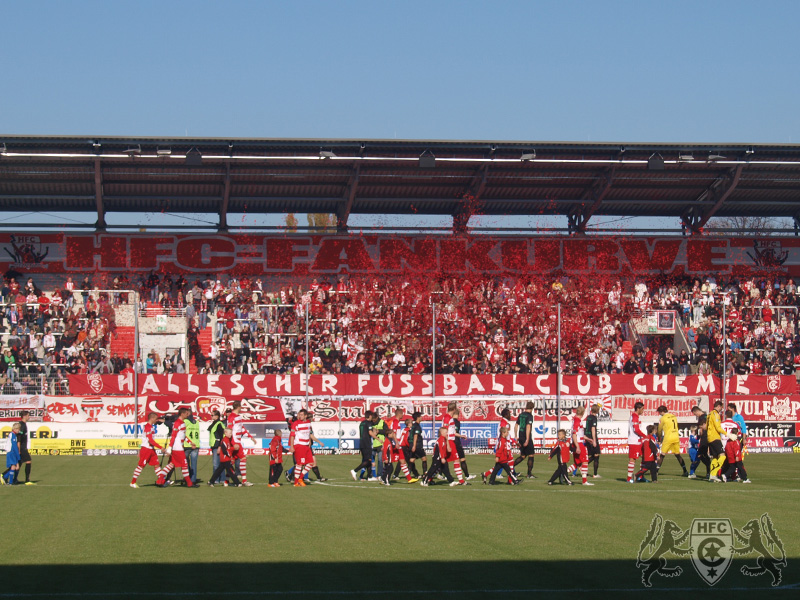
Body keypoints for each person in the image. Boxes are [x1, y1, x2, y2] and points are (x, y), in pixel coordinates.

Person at [156, 407, 197, 488]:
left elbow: (183, 436)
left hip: (178, 447)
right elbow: (173, 436)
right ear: (182, 414)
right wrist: (169, 448)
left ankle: (160, 480)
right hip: (178, 448)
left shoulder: (182, 422)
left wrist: (190, 442)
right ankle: (189, 483)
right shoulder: (178, 423)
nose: (188, 414)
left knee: (171, 465)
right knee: (184, 465)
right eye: (186, 413)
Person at [289, 409, 324, 487]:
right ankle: (296, 482)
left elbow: (309, 434)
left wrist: (318, 442)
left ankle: (300, 479)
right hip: (299, 445)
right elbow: (292, 435)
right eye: (299, 414)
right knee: (300, 464)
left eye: (301, 415)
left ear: (305, 416)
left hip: (306, 445)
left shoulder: (308, 423)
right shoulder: (296, 423)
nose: (300, 416)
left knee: (311, 463)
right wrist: (291, 446)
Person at [130, 412, 164, 488]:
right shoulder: (148, 427)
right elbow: (150, 440)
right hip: (146, 450)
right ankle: (133, 482)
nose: (156, 420)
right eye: (155, 419)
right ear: (152, 418)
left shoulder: (151, 427)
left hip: (151, 449)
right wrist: (160, 447)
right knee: (141, 465)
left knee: (157, 465)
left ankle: (162, 480)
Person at [227, 401, 255, 486]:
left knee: (231, 462)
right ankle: (244, 481)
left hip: (237, 441)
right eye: (241, 406)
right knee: (242, 458)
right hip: (235, 442)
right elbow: (229, 430)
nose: (241, 408)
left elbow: (242, 428)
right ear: (238, 407)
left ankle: (226, 481)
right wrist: (233, 442)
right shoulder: (231, 417)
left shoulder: (238, 417)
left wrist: (251, 437)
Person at [656, 405, 688, 476]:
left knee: (662, 455)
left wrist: (659, 439)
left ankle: (656, 471)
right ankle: (685, 471)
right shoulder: (674, 416)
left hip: (668, 438)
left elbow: (659, 430)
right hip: (676, 437)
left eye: (659, 412)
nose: (659, 414)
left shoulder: (663, 418)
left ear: (662, 411)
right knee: (678, 455)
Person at [569, 406, 593, 486]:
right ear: (583, 413)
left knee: (578, 464)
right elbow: (574, 434)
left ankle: (563, 473)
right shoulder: (577, 421)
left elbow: (579, 434)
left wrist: (588, 439)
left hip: (577, 442)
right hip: (578, 443)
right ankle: (584, 481)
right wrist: (577, 446)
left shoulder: (575, 420)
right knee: (585, 461)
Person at [350, 410, 376, 481]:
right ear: (370, 416)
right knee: (367, 460)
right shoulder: (368, 423)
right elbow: (370, 432)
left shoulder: (362, 423)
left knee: (368, 460)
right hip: (366, 443)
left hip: (361, 443)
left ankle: (369, 477)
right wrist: (377, 438)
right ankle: (355, 471)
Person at [513, 400, 536, 478]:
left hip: (520, 437)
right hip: (526, 437)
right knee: (531, 455)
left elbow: (516, 425)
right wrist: (527, 439)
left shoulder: (521, 415)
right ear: (532, 408)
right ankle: (529, 474)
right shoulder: (529, 416)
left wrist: (516, 436)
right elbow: (528, 427)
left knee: (523, 456)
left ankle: (509, 467)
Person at [627, 401, 647, 483]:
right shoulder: (634, 417)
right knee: (633, 459)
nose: (643, 411)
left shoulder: (636, 416)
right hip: (634, 441)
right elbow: (636, 429)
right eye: (642, 409)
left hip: (638, 441)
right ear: (638, 409)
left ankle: (640, 476)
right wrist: (645, 436)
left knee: (644, 457)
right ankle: (629, 479)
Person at [707, 400, 725, 482]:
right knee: (722, 456)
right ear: (719, 406)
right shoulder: (716, 414)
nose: (722, 409)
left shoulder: (709, 414)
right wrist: (727, 434)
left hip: (710, 438)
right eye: (721, 407)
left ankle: (711, 475)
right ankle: (714, 474)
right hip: (715, 437)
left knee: (714, 457)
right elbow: (718, 428)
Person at [207, 410, 225, 483]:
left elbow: (222, 436)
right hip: (214, 445)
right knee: (219, 463)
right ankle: (222, 479)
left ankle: (216, 479)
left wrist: (220, 446)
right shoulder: (214, 423)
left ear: (217, 416)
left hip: (217, 446)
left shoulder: (219, 424)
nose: (211, 416)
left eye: (212, 415)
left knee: (216, 464)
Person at [183, 411, 201, 485]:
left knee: (186, 463)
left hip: (187, 445)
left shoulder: (185, 421)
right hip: (196, 444)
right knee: (194, 463)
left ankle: (187, 478)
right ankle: (193, 479)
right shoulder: (196, 422)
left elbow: (183, 433)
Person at [408, 411, 427, 477]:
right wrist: (414, 446)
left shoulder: (413, 425)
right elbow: (415, 436)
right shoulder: (417, 426)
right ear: (418, 418)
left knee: (412, 459)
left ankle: (408, 475)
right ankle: (425, 473)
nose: (422, 418)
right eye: (420, 416)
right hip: (417, 445)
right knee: (424, 458)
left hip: (412, 445)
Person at [17, 411, 34, 485]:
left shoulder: (23, 424)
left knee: (19, 463)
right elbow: (19, 437)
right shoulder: (22, 425)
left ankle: (5, 476)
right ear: (24, 416)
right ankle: (27, 480)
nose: (29, 417)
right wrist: (19, 449)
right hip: (22, 448)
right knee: (28, 461)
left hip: (22, 447)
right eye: (28, 415)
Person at [584, 404, 601, 478]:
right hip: (591, 438)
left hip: (587, 437)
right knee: (596, 455)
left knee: (592, 455)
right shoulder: (594, 418)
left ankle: (583, 467)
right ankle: (595, 474)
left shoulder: (588, 417)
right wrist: (594, 440)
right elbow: (593, 429)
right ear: (597, 410)